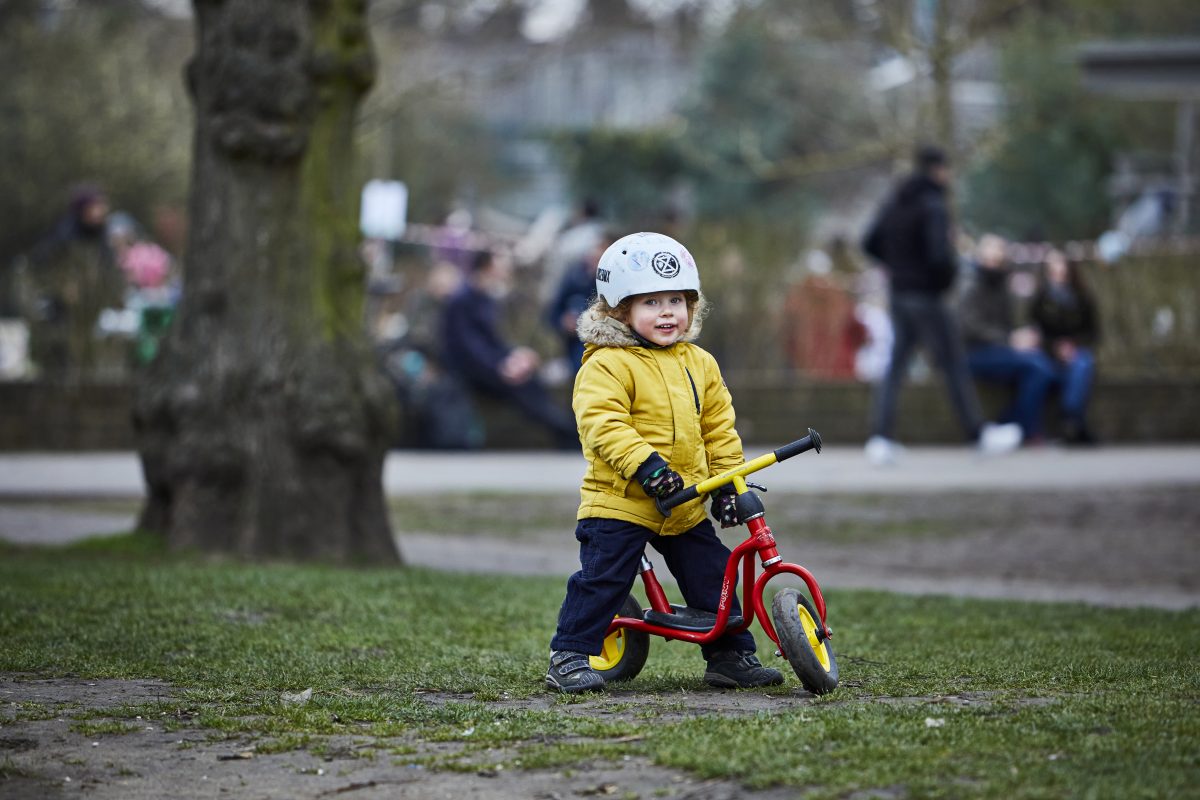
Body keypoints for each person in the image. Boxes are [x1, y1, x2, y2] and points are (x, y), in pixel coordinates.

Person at [546, 231, 782, 694]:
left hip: (683, 501)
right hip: (621, 501)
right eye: (651, 302)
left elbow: (718, 428)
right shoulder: (606, 364)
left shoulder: (700, 363)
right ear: (619, 309)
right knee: (603, 579)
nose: (668, 312)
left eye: (676, 299)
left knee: (715, 573)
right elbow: (603, 423)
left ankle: (730, 656)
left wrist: (728, 486)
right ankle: (570, 654)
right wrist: (647, 467)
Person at [860, 146, 1020, 464]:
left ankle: (880, 438)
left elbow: (869, 242)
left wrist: (897, 266)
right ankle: (977, 433)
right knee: (953, 363)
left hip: (900, 294)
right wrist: (945, 278)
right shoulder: (933, 204)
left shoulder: (894, 201)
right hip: (928, 295)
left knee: (896, 365)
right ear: (938, 169)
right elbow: (938, 255)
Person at [440, 248, 577, 448]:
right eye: (500, 262)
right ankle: (567, 434)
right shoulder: (462, 300)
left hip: (491, 364)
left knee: (531, 380)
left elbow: (493, 340)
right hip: (470, 369)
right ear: (487, 267)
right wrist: (500, 366)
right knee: (523, 386)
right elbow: (469, 347)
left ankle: (566, 431)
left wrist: (514, 356)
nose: (506, 268)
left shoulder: (485, 298)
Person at [16, 184, 125, 382]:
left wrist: (115, 295)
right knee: (60, 367)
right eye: (95, 207)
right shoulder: (62, 237)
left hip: (92, 316)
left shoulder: (102, 240)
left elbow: (111, 274)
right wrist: (61, 288)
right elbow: (38, 271)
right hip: (61, 316)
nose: (101, 212)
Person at [959, 235, 1059, 445]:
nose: (996, 261)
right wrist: (1010, 339)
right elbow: (969, 327)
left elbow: (1006, 323)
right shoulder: (971, 284)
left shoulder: (1002, 284)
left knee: (1044, 366)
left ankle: (1009, 424)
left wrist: (1021, 337)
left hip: (998, 349)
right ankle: (1025, 430)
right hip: (975, 352)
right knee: (1038, 368)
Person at [1029, 248, 1100, 444]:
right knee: (1038, 370)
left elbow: (1092, 332)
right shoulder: (1040, 298)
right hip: (1047, 353)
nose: (1057, 270)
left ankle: (1071, 417)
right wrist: (1054, 348)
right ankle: (1048, 427)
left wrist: (1072, 346)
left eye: (1061, 264)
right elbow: (1034, 331)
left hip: (1075, 351)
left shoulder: (1082, 297)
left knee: (1082, 364)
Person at [544, 234, 609, 376]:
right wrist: (563, 321)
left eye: (599, 258)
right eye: (592, 256)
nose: (593, 261)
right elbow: (553, 311)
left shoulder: (608, 286)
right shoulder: (573, 277)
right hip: (571, 341)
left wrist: (585, 325)